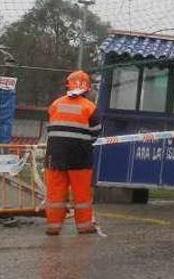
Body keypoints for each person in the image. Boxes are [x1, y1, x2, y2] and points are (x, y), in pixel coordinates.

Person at [44, 70, 100, 235]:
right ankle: (84, 226)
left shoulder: (55, 104)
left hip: (54, 155)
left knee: (55, 192)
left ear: (67, 85)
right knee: (81, 192)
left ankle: (53, 227)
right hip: (80, 156)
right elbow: (96, 132)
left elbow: (51, 126)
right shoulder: (90, 108)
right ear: (87, 88)